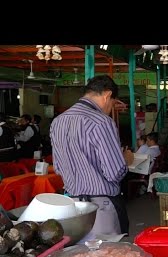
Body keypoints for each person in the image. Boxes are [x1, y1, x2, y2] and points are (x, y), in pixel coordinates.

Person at [50, 75, 133, 240]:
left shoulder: (57, 122)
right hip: (100, 208)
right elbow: (114, 173)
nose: (111, 108)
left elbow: (58, 167)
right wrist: (126, 160)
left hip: (73, 207)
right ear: (107, 95)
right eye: (113, 104)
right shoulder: (101, 122)